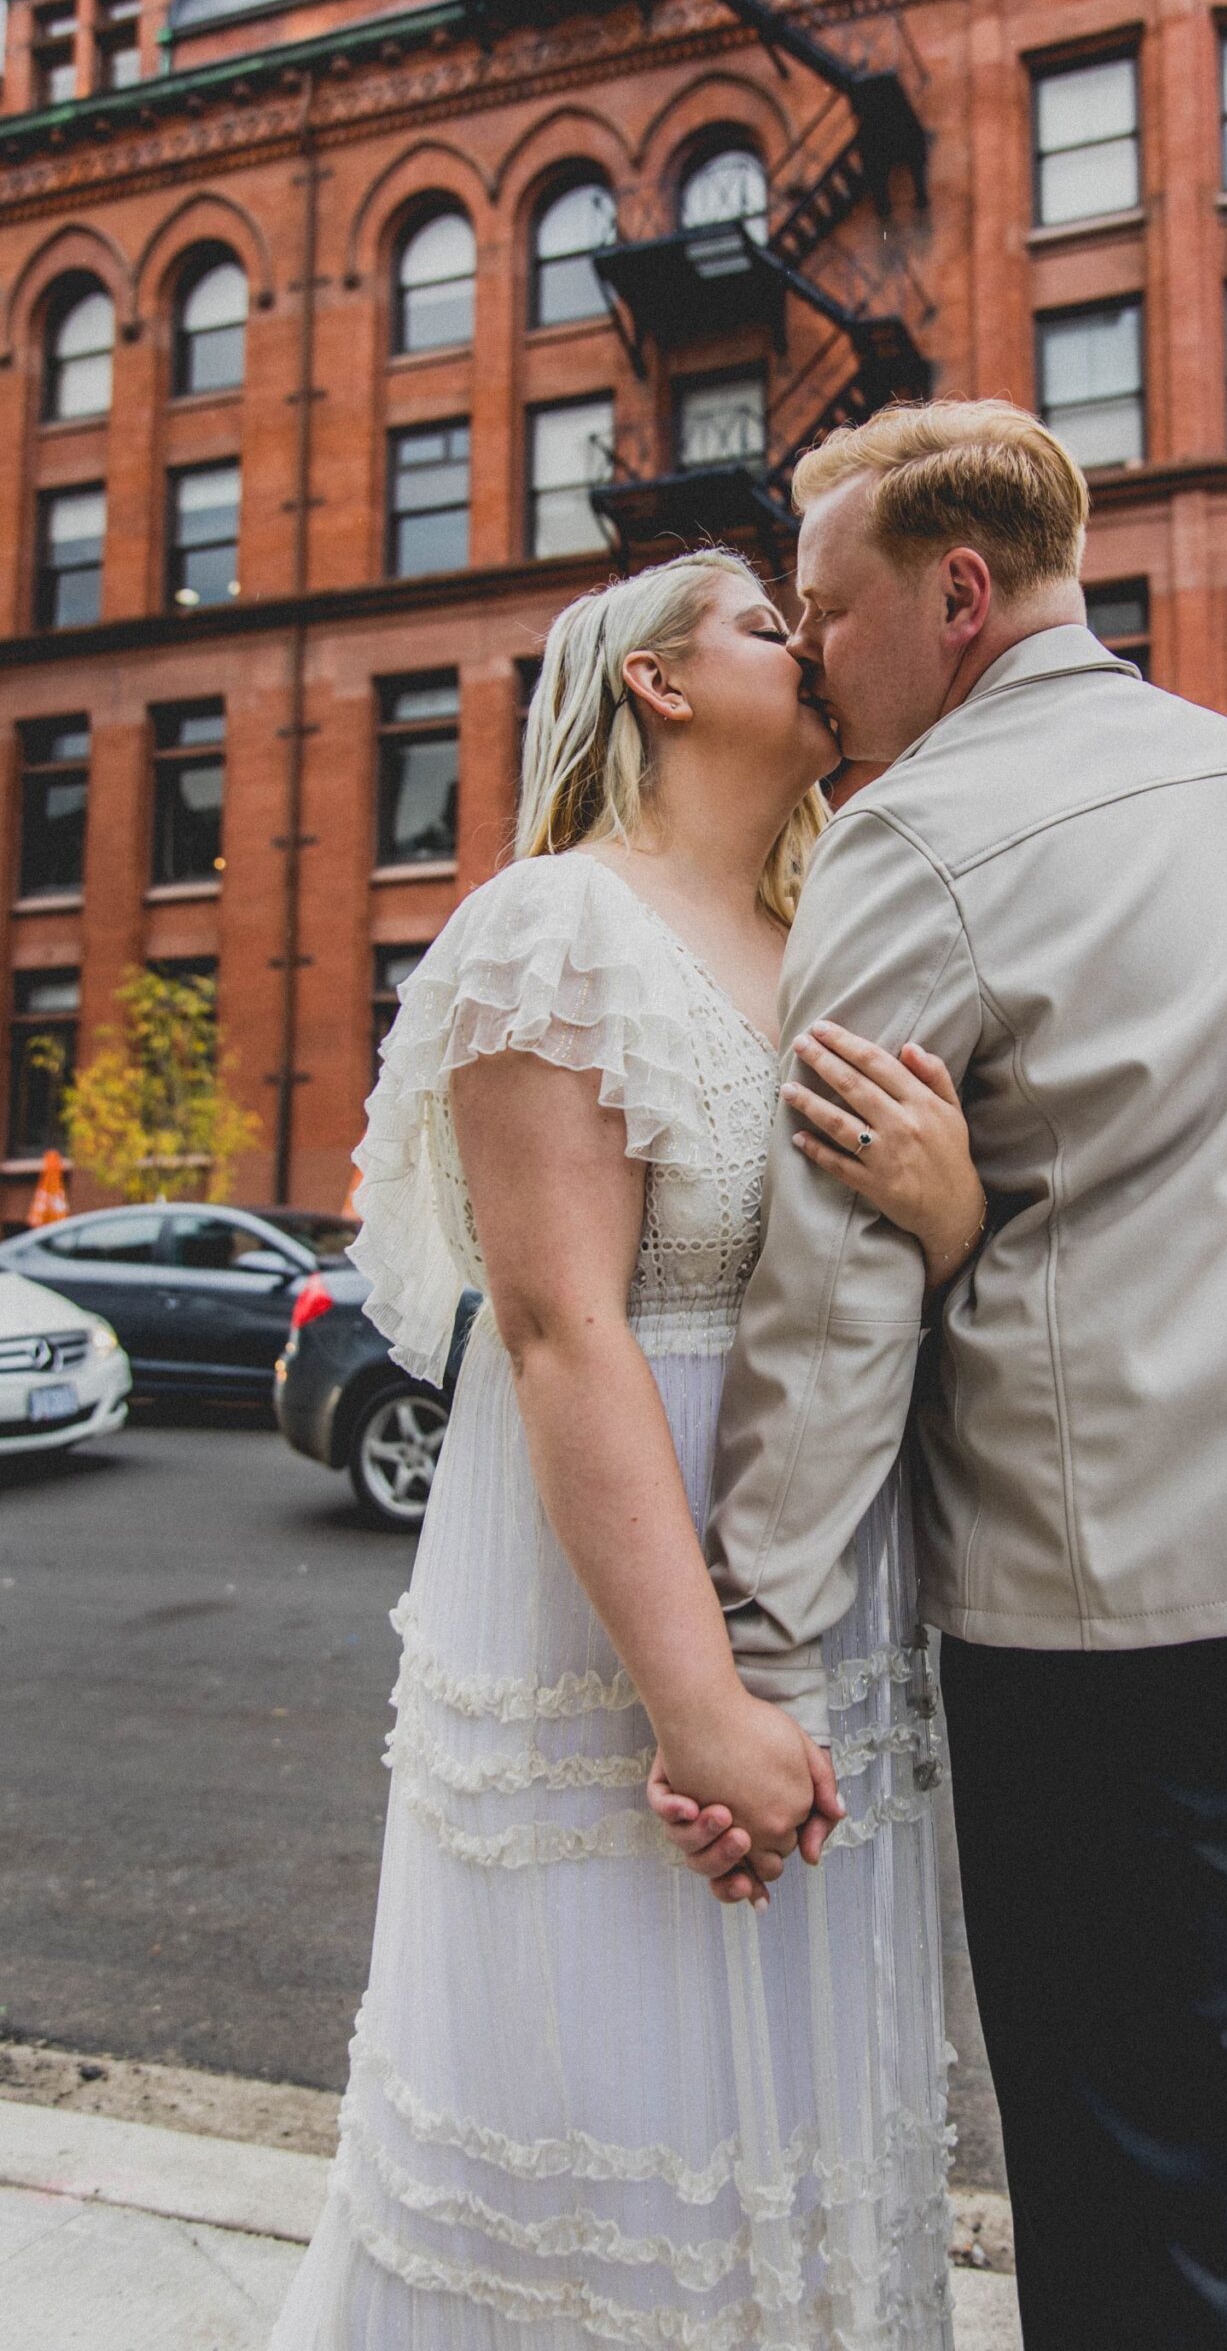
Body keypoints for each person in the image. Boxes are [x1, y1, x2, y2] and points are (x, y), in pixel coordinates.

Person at [656, 400, 1227, 2351]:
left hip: (1135, 1605)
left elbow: (825, 1297)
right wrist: (995, 1226)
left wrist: (753, 1655)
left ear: (954, 594)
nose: (809, 655)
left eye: (825, 609)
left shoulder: (914, 835)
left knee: (1144, 2153)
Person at [268, 548, 987, 2349]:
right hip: (624, 1604)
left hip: (833, 1583)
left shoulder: (834, 932)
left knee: (798, 2091)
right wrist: (701, 1707)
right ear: (656, 686)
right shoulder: (550, 931)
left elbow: (903, 1271)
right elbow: (556, 1327)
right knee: (620, 2091)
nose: (814, 645)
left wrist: (952, 1202)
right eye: (768, 624)